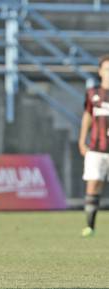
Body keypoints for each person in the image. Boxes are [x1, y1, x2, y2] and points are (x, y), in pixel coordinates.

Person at [79, 54, 109, 237]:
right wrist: (82, 139)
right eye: (106, 69)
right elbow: (87, 116)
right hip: (96, 148)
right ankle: (90, 226)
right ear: (100, 72)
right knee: (93, 184)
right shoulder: (93, 93)